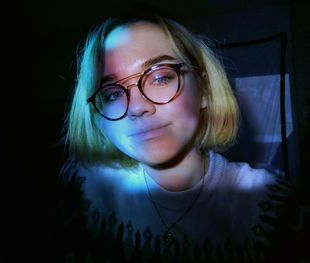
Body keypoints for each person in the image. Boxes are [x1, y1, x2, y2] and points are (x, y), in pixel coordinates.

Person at [59, 14, 293, 262]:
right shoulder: (82, 189)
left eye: (160, 77)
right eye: (112, 94)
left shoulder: (271, 205)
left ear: (204, 90)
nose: (137, 108)